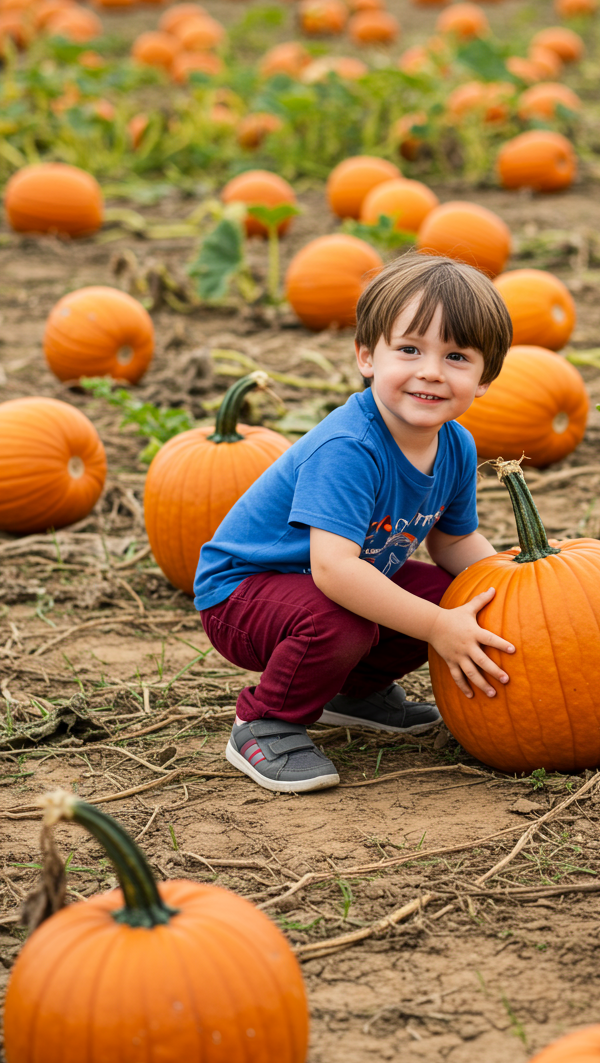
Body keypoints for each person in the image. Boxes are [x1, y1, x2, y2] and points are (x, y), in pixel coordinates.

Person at [194, 251, 516, 793]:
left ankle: (356, 693)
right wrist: (438, 629)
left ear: (485, 378)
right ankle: (265, 721)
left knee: (450, 592)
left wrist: (522, 588)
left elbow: (454, 540)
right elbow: (335, 572)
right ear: (368, 356)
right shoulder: (350, 446)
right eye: (409, 349)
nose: (431, 372)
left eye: (457, 356)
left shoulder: (457, 446)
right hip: (242, 595)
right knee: (345, 621)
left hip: (323, 587)